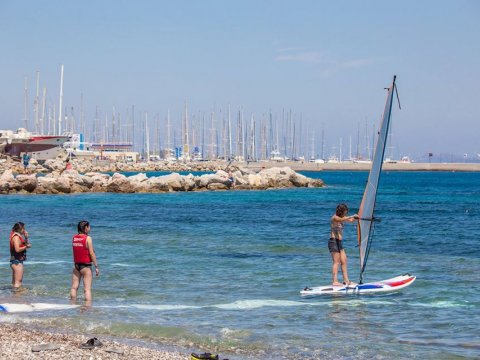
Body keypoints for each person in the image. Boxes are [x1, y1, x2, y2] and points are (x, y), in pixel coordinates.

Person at [329, 204, 358, 287]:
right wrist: (351, 216)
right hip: (333, 241)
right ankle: (335, 281)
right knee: (336, 262)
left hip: (339, 242)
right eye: (345, 212)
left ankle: (346, 281)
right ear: (341, 211)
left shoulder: (342, 218)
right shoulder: (334, 218)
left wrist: (357, 218)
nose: (346, 214)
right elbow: (342, 219)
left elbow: (350, 220)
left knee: (344, 261)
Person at [70, 221, 100, 302]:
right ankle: (88, 309)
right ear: (86, 228)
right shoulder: (88, 238)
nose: (90, 228)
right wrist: (96, 266)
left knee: (74, 287)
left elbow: (80, 249)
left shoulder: (74, 237)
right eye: (89, 227)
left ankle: (72, 304)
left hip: (76, 266)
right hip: (86, 267)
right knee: (87, 290)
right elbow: (91, 253)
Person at [10, 222, 31, 290]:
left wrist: (26, 237)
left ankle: (14, 298)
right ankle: (17, 298)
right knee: (18, 283)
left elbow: (25, 244)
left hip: (16, 261)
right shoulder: (16, 237)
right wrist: (26, 247)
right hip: (16, 262)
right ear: (20, 229)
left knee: (15, 283)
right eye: (24, 228)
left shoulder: (18, 236)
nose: (24, 230)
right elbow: (17, 249)